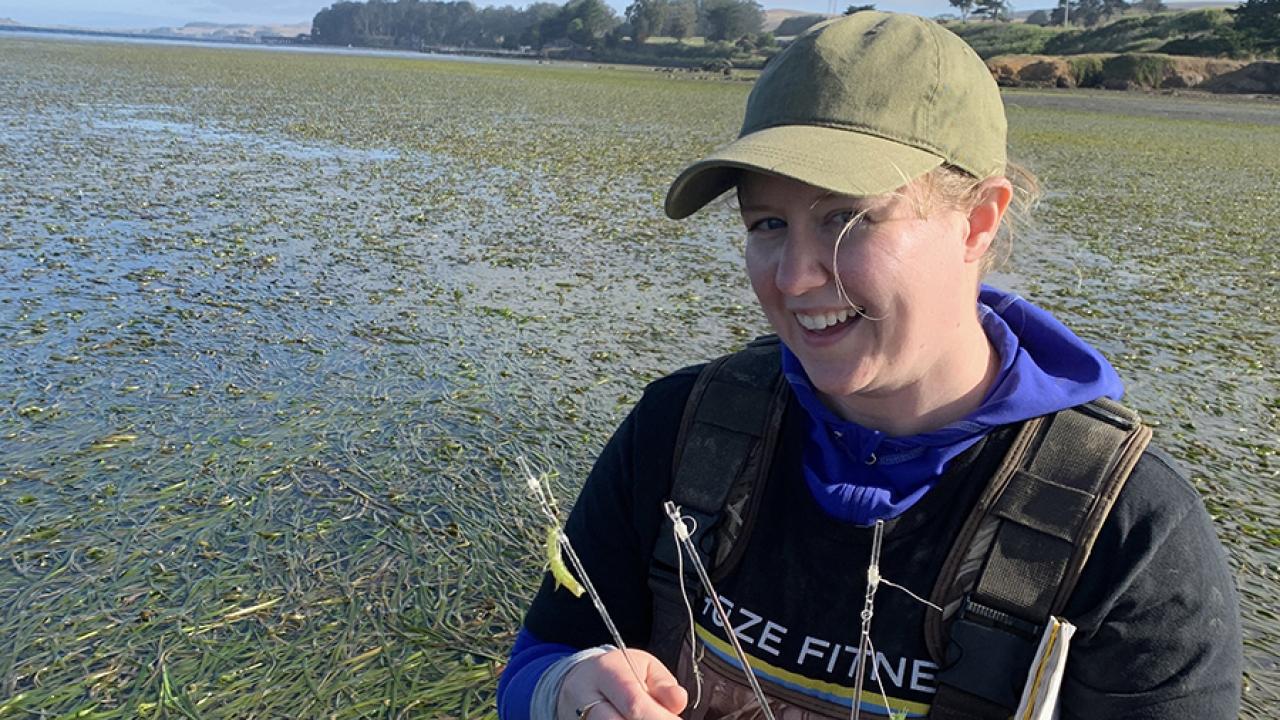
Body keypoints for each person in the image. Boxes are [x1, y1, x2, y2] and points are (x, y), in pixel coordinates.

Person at [497, 12, 1241, 720]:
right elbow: (540, 660)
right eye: (767, 224)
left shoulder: (1131, 532)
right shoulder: (680, 430)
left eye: (847, 218)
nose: (792, 278)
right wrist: (568, 689)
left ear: (979, 220)